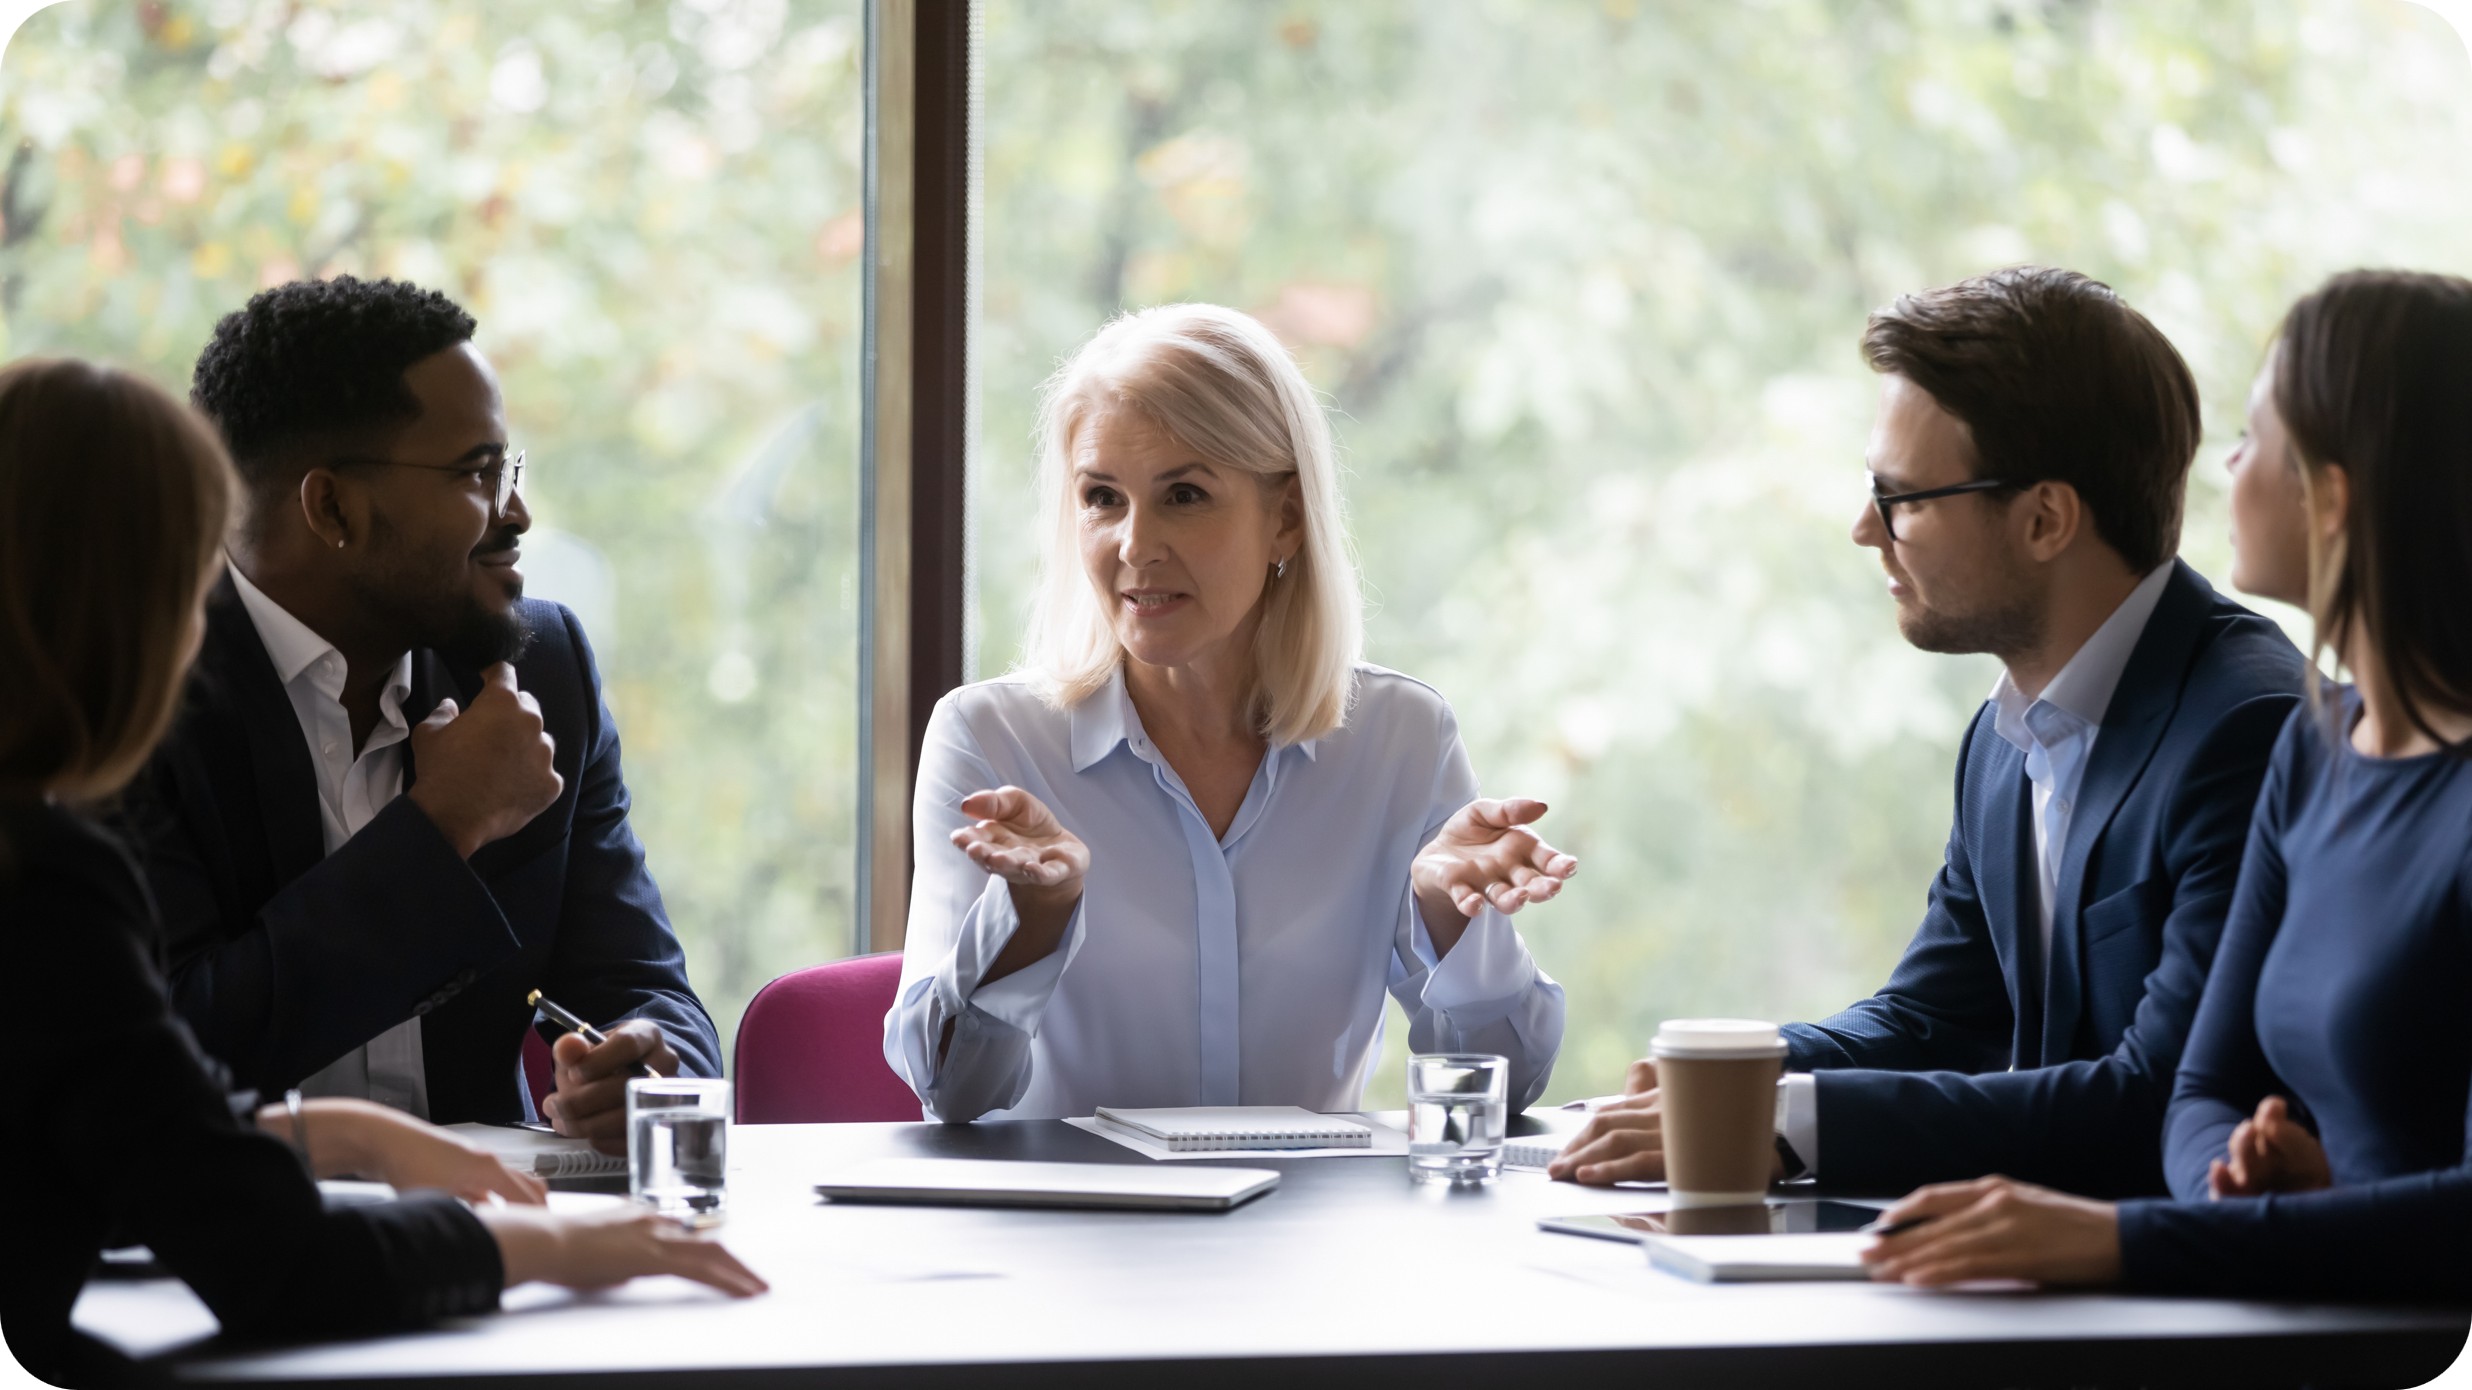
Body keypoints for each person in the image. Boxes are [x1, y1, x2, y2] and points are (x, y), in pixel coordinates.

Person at [0, 358, 763, 1387]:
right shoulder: (51, 862)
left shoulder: (534, 673)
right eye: (182, 587)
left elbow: (127, 1108)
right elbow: (257, 1238)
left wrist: (359, 1135)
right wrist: (553, 1252)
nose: (192, 636)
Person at [1554, 267, 2306, 1196]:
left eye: (1900, 495)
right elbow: (1933, 1020)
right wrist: (1727, 1075)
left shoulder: (2251, 729)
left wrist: (1781, 1122)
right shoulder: (2005, 739)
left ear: (2044, 519)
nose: (1864, 527)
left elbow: (2154, 1096)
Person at [1862, 270, 2471, 1299]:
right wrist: (2241, 1194)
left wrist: (2119, 1240)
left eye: (2251, 438)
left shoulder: (2255, 721)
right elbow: (2204, 1088)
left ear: (2333, 496)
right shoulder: (2316, 751)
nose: (2224, 468)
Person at [884, 304, 1573, 1123]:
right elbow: (948, 1092)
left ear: (1283, 517)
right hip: (1072, 1240)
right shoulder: (990, 741)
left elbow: (1512, 1083)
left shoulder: (1400, 739)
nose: (1136, 546)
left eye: (1184, 495)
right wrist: (1028, 921)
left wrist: (1449, 921)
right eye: (1103, 498)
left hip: (1305, 1240)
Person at [117, 276, 719, 1150]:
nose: (515, 512)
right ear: (331, 508)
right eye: (476, 472)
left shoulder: (540, 669)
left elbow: (645, 986)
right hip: (230, 1250)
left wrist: (651, 1062)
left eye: (506, 468)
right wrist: (440, 830)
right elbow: (167, 1061)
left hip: (503, 1234)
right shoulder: (132, 694)